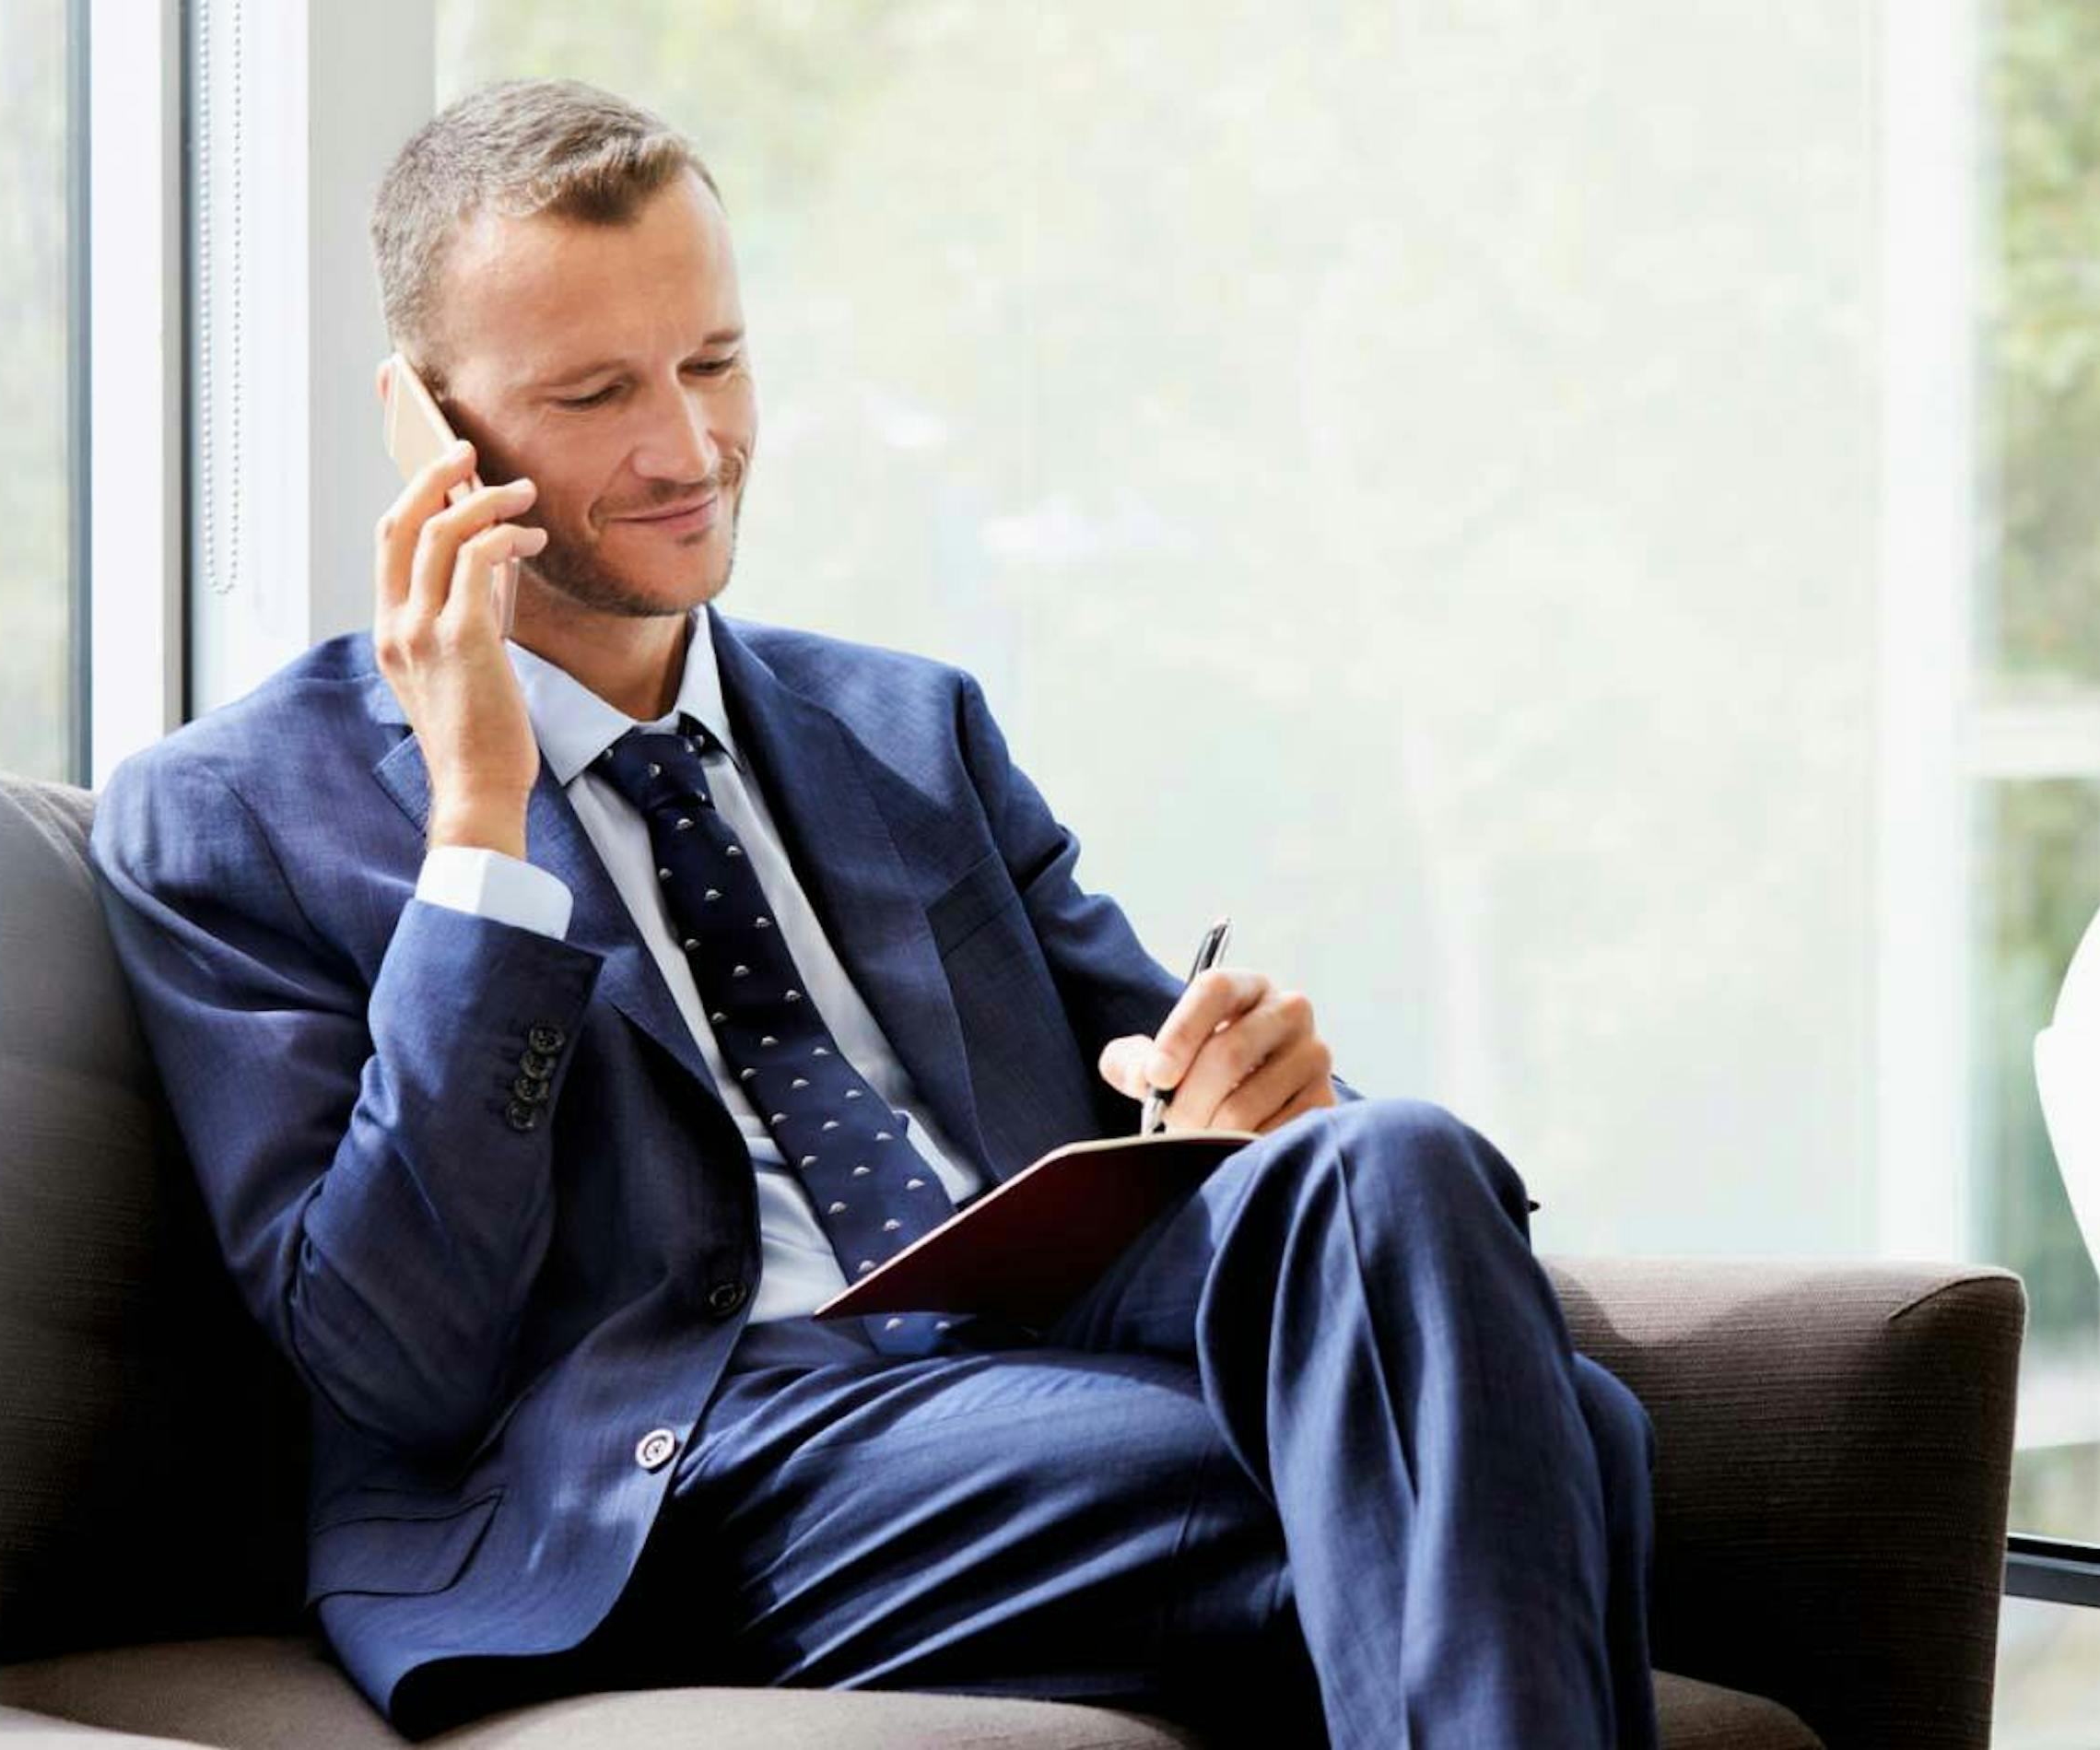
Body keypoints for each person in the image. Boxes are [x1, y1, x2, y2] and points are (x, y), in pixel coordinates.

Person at [87, 76, 1657, 1747]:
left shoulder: (909, 728)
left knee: (1389, 1157)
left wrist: (1255, 1096)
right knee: (1552, 1445)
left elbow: (1176, 1136)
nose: (689, 450)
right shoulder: (235, 815)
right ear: (431, 426)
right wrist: (479, 832)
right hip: (678, 1467)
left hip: (1027, 1371)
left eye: (713, 363)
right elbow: (397, 1356)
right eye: (596, 391)